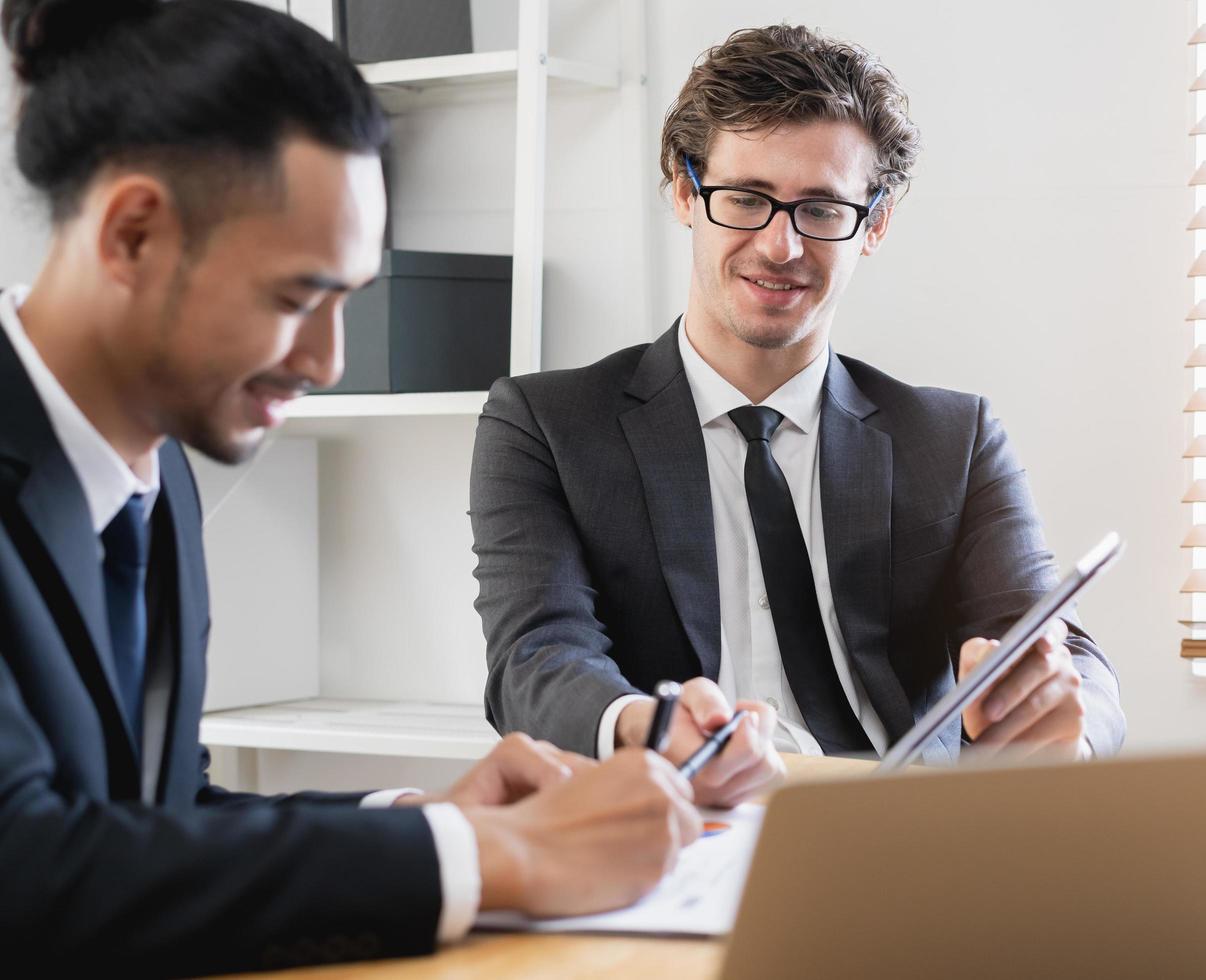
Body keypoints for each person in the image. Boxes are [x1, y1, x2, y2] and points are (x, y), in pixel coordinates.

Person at [0, 0, 701, 974]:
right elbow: (27, 866)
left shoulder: (152, 482)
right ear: (131, 234)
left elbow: (152, 819)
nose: (328, 360)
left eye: (348, 300)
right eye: (296, 298)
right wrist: (493, 855)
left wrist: (423, 817)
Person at [471, 24, 1125, 799]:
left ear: (873, 224)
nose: (781, 247)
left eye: (820, 209)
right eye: (745, 199)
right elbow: (535, 657)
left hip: (901, 832)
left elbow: (1063, 651)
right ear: (684, 192)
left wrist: (1062, 719)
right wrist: (648, 728)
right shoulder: (544, 424)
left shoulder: (953, 439)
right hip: (677, 825)